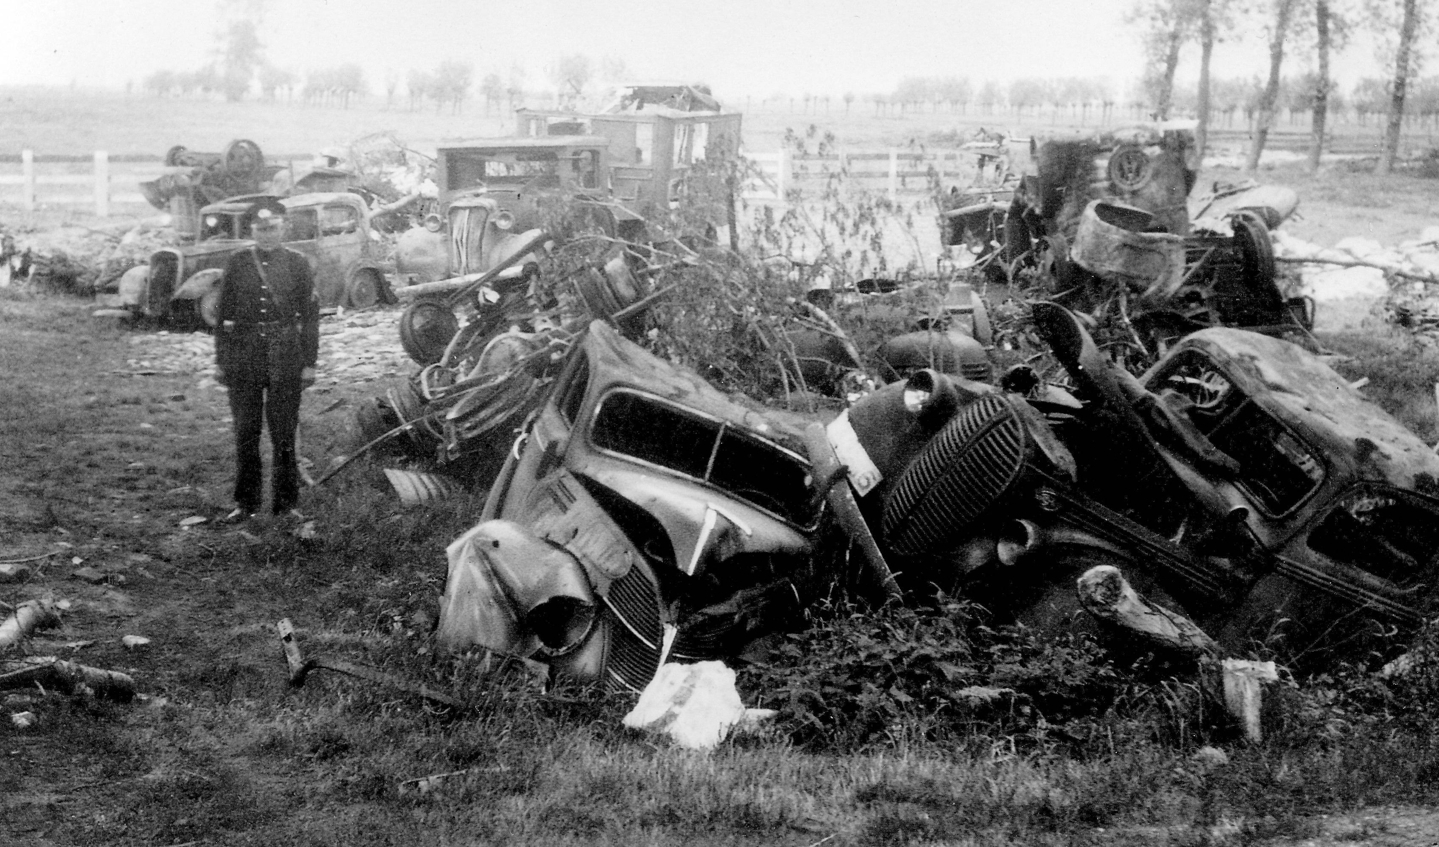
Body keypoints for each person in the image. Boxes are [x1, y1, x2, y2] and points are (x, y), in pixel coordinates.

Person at [213, 198, 320, 522]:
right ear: (253, 231)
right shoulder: (238, 262)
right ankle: (246, 503)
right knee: (246, 430)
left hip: (286, 354)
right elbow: (223, 313)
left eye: (272, 227)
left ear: (283, 227)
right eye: (260, 229)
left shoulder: (298, 263)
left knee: (284, 432)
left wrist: (309, 361)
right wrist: (221, 359)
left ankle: (286, 504)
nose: (267, 234)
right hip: (244, 355)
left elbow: (311, 317)